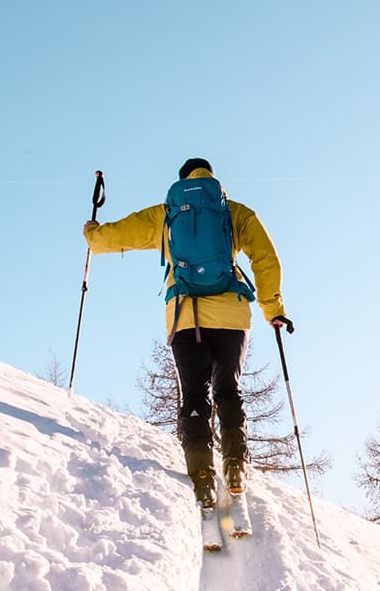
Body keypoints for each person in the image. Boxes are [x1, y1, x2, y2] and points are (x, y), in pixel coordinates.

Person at [82, 158, 292, 509]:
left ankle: (201, 474)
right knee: (229, 389)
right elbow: (267, 259)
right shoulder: (236, 213)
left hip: (185, 315)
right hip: (231, 315)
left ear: (181, 181)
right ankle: (236, 467)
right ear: (212, 177)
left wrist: (93, 235)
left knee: (195, 393)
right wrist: (273, 309)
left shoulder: (167, 213)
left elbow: (117, 237)